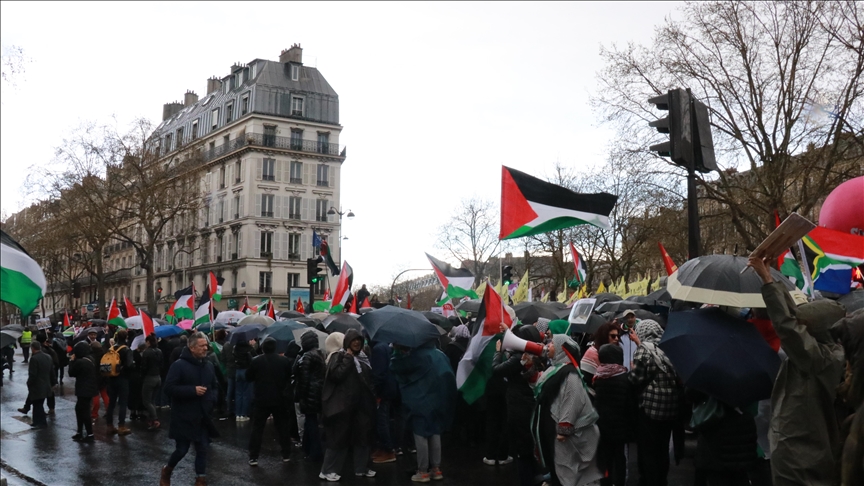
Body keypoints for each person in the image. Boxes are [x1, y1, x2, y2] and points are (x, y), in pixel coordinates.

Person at [748, 255, 846, 485]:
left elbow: (788, 325)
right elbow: (794, 318)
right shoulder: (826, 351)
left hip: (801, 453)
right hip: (802, 447)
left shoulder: (820, 358)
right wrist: (773, 280)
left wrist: (768, 282)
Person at [390, 341, 456, 483]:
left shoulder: (416, 356)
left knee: (421, 435)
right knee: (435, 433)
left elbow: (396, 367)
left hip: (419, 400)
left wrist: (396, 351)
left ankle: (423, 471)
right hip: (438, 400)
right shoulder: (440, 355)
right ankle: (436, 469)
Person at [628, 319, 682, 486]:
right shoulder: (670, 347)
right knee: (663, 448)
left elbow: (636, 380)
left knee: (648, 450)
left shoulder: (643, 350)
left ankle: (649, 481)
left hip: (650, 409)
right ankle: (662, 480)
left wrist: (631, 370)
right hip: (670, 407)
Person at [160, 332, 219, 486]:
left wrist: (212, 398)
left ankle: (201, 479)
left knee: (202, 449)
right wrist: (192, 390)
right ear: (192, 348)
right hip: (184, 415)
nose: (205, 348)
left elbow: (214, 386)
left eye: (206, 345)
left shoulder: (209, 365)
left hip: (203, 416)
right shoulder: (178, 365)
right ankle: (167, 470)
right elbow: (168, 388)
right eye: (202, 346)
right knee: (182, 450)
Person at [319, 329, 377, 482]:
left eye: (359, 340)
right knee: (338, 440)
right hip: (342, 407)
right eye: (353, 340)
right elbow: (336, 375)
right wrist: (348, 358)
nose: (357, 343)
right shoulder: (339, 356)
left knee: (362, 437)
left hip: (360, 406)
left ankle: (361, 468)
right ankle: (327, 470)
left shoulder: (363, 358)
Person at [493, 324, 546, 486]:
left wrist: (498, 352)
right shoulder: (538, 355)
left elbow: (497, 370)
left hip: (518, 404)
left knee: (523, 449)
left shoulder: (520, 358)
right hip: (531, 401)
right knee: (531, 445)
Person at [592, 344, 637, 486]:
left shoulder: (598, 377)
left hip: (602, 427)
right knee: (620, 458)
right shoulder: (625, 378)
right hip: (621, 428)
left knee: (605, 459)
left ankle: (605, 482)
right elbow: (630, 405)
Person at [246, 336, 293, 466]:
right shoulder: (283, 361)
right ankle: (286, 453)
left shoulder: (256, 361)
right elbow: (288, 376)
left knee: (257, 428)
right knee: (282, 427)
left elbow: (248, 377)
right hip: (279, 398)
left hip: (261, 399)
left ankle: (253, 456)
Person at [294, 330, 326, 462]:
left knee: (311, 422)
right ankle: (308, 448)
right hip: (317, 393)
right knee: (310, 421)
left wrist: (301, 396)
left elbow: (303, 378)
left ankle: (315, 451)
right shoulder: (319, 355)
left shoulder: (307, 357)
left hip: (309, 394)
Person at [370, 338, 401, 464]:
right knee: (386, 419)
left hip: (383, 390)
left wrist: (376, 391)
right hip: (391, 387)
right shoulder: (386, 346)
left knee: (381, 420)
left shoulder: (378, 349)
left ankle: (388, 450)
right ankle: (385, 448)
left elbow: (379, 373)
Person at [105, 329, 134, 436]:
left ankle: (109, 425)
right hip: (123, 379)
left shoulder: (111, 348)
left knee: (111, 403)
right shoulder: (126, 349)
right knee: (123, 403)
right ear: (126, 337)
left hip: (111, 378)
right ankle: (121, 426)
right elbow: (129, 365)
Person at [68, 341, 98, 442]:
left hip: (83, 390)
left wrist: (72, 361)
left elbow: (71, 373)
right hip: (89, 389)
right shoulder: (90, 359)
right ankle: (80, 432)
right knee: (80, 409)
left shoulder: (80, 362)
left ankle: (89, 434)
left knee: (83, 412)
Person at [26, 342, 52, 429]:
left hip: (37, 385)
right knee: (38, 403)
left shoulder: (34, 359)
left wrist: (29, 383)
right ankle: (36, 421)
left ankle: (41, 422)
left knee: (37, 404)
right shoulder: (48, 356)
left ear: (32, 348)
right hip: (46, 384)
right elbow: (52, 371)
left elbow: (33, 374)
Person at [141, 333, 164, 430]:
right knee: (153, 400)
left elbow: (144, 367)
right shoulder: (159, 351)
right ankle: (151, 419)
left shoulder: (146, 352)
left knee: (146, 401)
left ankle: (155, 420)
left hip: (149, 378)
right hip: (158, 377)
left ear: (149, 342)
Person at [233, 337, 255, 422]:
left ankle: (238, 414)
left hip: (238, 371)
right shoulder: (249, 348)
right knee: (246, 393)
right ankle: (244, 414)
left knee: (238, 393)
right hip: (246, 371)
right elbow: (254, 358)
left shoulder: (235, 348)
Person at [90, 340, 109, 422]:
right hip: (103, 377)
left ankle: (94, 413)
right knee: (105, 395)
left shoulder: (91, 357)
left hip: (94, 378)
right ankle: (109, 411)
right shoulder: (104, 356)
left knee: (95, 396)